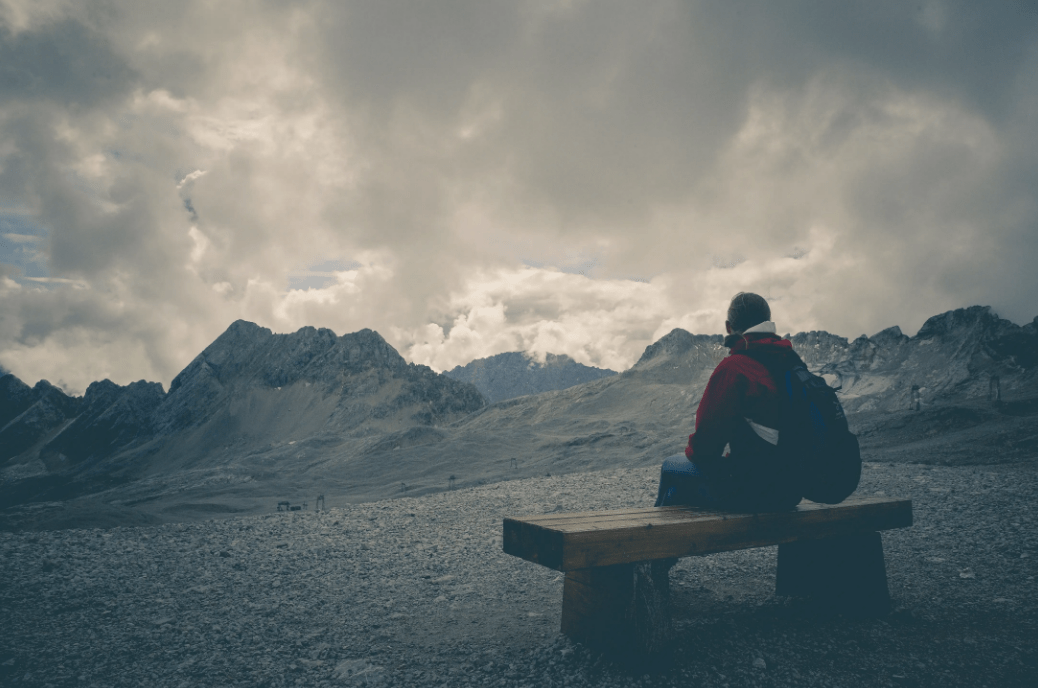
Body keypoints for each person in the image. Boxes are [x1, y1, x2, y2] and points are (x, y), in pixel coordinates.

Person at [654, 292, 802, 511]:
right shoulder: (790, 362)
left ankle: (659, 539)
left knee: (671, 467)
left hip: (755, 490)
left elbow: (704, 449)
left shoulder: (735, 368)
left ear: (728, 327)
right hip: (793, 490)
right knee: (680, 489)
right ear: (768, 322)